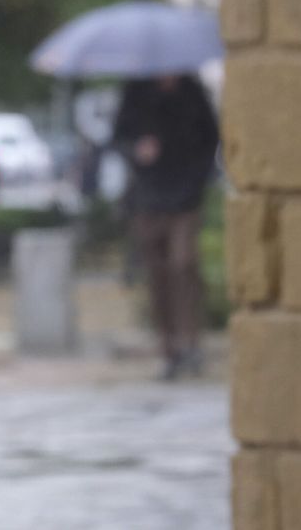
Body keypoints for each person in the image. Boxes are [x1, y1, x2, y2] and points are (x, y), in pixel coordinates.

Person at [110, 74, 221, 380]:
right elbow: (118, 138)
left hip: (186, 196)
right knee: (157, 271)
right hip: (148, 196)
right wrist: (137, 150)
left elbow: (211, 137)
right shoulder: (135, 91)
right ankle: (169, 346)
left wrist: (200, 178)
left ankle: (191, 341)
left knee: (184, 264)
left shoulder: (192, 90)